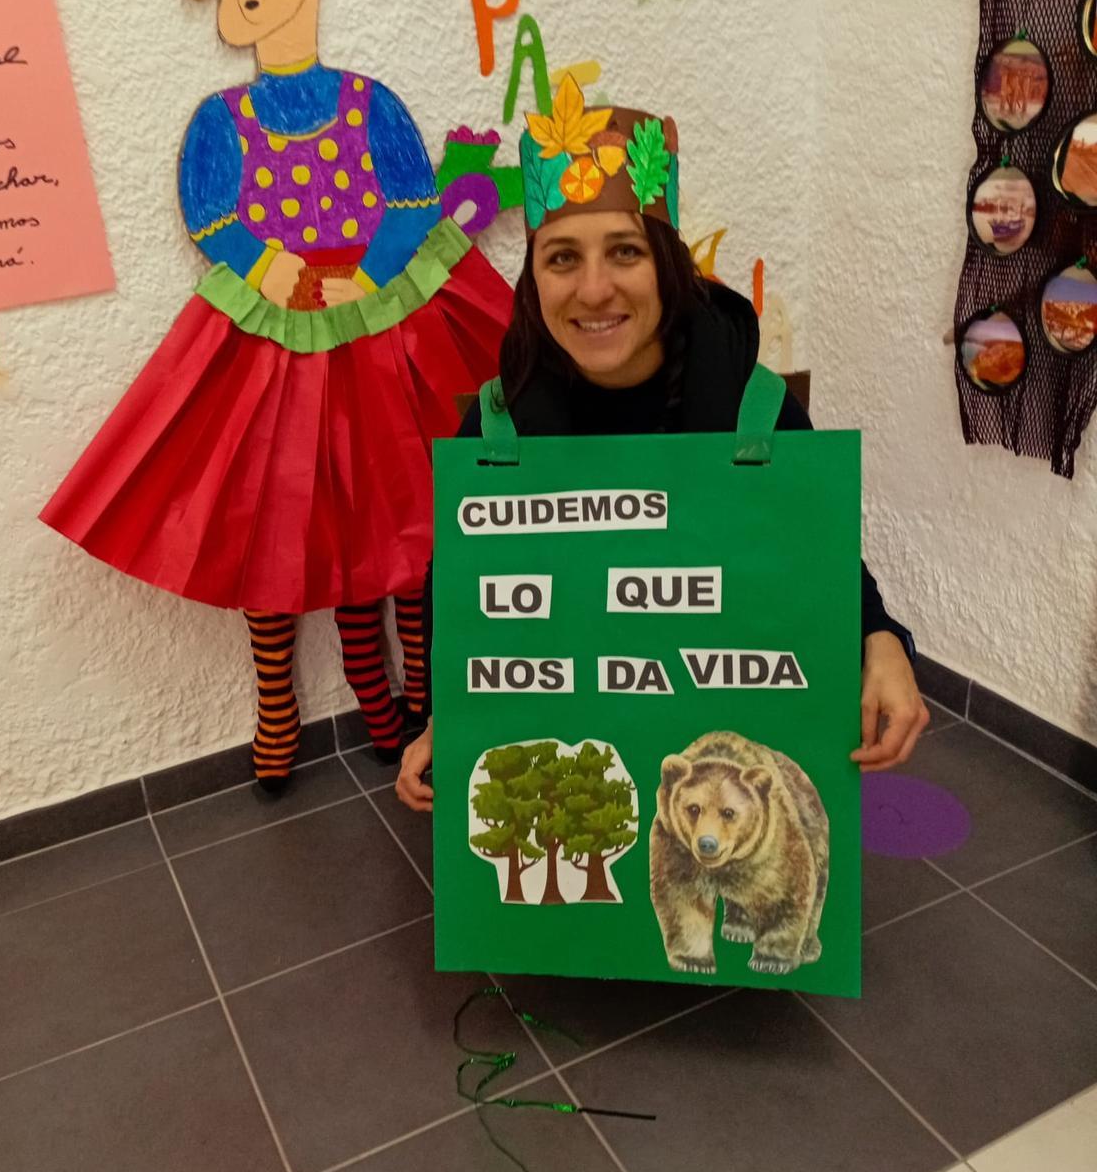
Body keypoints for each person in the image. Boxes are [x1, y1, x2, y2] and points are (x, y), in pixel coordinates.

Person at [40, 0, 511, 789]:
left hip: (380, 330)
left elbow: (410, 195)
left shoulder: (368, 100)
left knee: (402, 508)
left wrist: (373, 270)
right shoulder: (221, 121)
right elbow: (212, 213)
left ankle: (408, 693)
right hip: (270, 334)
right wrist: (269, 263)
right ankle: (277, 701)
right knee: (275, 517)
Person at [396, 79, 928, 812]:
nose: (593, 289)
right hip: (575, 768)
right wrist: (446, 719)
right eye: (560, 259)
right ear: (533, 277)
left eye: (624, 252)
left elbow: (816, 553)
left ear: (667, 263)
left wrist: (882, 638)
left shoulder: (756, 408)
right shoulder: (496, 431)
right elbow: (462, 596)